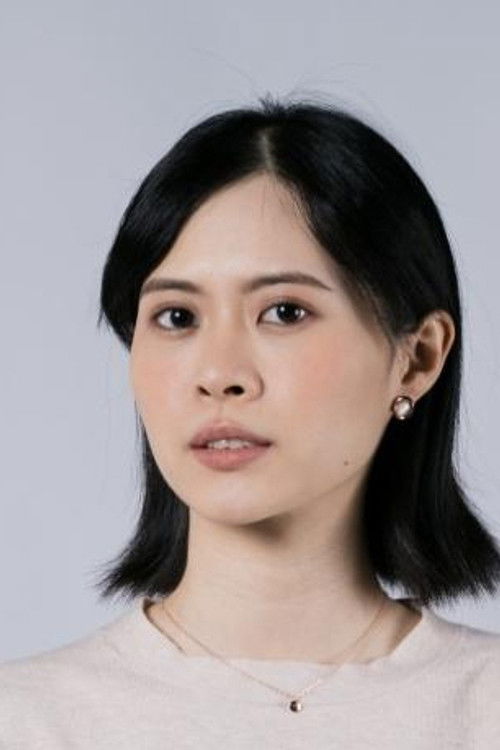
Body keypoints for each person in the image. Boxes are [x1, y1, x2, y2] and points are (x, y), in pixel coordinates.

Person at [1, 94, 500, 748]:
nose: (219, 373)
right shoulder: (26, 720)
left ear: (418, 359)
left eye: (284, 312)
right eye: (177, 317)